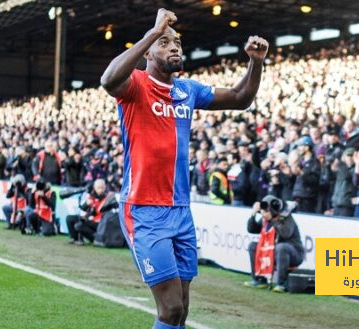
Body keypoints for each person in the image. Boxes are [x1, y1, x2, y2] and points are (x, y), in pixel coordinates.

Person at [100, 8, 268, 328]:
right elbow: (108, 80)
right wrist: (153, 32)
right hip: (144, 209)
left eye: (177, 42)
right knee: (171, 309)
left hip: (180, 209)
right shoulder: (135, 84)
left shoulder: (187, 90)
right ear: (148, 51)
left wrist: (256, 63)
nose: (175, 46)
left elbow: (240, 96)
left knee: (183, 309)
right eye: (165, 42)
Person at [244, 195, 304, 292]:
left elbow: (285, 234)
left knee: (281, 247)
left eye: (267, 209)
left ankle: (281, 284)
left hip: (295, 254)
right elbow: (251, 229)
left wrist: (272, 220)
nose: (264, 213)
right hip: (273, 253)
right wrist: (253, 214)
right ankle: (259, 279)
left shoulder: (287, 217)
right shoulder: (265, 219)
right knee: (253, 246)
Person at [67, 179, 112, 244]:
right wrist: (86, 204)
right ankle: (75, 239)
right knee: (69, 218)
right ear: (95, 188)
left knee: (78, 226)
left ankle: (95, 239)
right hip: (90, 220)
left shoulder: (109, 197)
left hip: (100, 223)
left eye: (102, 187)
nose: (101, 190)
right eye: (98, 188)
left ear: (105, 187)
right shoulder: (92, 196)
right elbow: (83, 208)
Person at [291, 136, 320, 213]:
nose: (299, 148)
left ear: (307, 147)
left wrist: (301, 173)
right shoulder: (300, 162)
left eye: (300, 146)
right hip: (297, 197)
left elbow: (315, 180)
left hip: (307, 199)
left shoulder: (314, 162)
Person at [330, 148, 357, 217]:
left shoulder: (355, 169)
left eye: (352, 156)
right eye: (348, 156)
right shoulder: (341, 168)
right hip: (336, 203)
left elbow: (347, 175)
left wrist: (341, 163)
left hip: (347, 204)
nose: (350, 158)